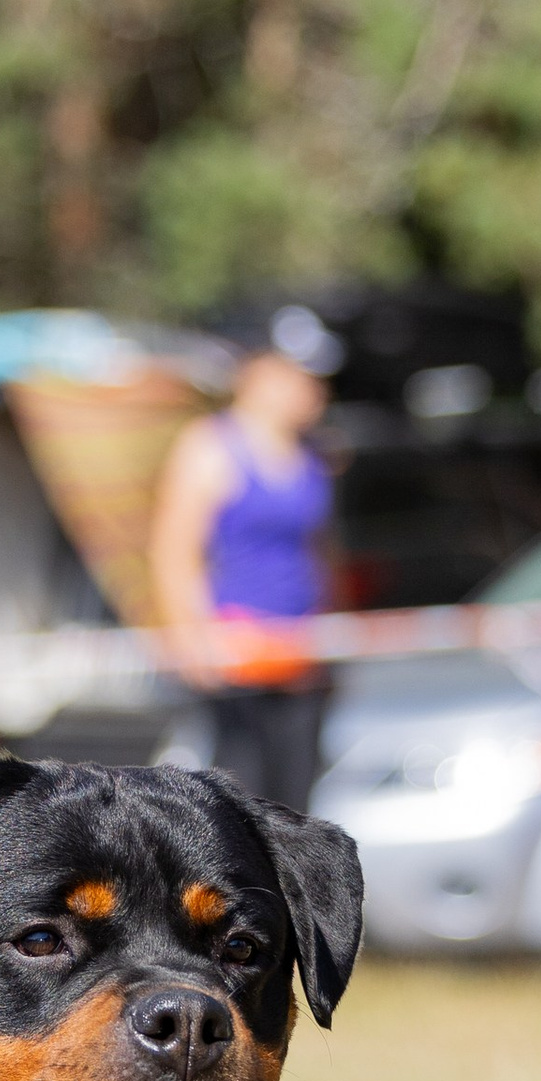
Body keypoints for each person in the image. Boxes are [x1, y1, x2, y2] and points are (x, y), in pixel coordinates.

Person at [149, 314, 340, 815]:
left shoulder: (314, 457)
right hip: (237, 663)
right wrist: (190, 638)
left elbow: (322, 555)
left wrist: (335, 636)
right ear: (260, 373)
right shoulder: (210, 446)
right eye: (299, 376)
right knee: (239, 808)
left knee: (296, 810)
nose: (313, 391)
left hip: (301, 664)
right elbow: (174, 549)